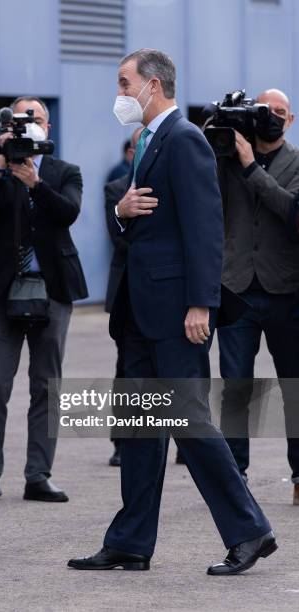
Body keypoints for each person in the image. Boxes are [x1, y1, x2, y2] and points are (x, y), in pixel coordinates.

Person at [68, 48, 275, 576]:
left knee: (188, 420)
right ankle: (131, 541)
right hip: (140, 311)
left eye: (123, 82)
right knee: (139, 424)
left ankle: (249, 531)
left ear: (153, 85)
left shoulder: (184, 139)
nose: (118, 93)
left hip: (176, 311)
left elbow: (206, 226)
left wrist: (200, 302)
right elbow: (139, 223)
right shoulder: (149, 142)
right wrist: (119, 211)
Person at [0, 96, 88, 503]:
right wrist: (0, 165)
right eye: (21, 119)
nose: (28, 125)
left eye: (36, 118)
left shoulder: (65, 171)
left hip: (51, 289)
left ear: (48, 127)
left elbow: (68, 212)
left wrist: (35, 182)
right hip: (1, 291)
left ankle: (38, 474)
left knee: (46, 386)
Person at [216, 89, 299, 505]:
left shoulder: (297, 163)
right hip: (236, 290)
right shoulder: (226, 156)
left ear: (291, 120)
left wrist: (251, 168)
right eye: (265, 111)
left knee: (293, 388)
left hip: (285, 291)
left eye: (280, 113)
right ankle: (235, 477)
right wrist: (217, 125)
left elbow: (292, 212)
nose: (273, 119)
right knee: (236, 388)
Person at [104, 126, 142, 467]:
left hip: (163, 293)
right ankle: (122, 441)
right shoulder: (115, 190)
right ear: (130, 154)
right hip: (126, 294)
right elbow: (119, 240)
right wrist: (123, 211)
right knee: (126, 369)